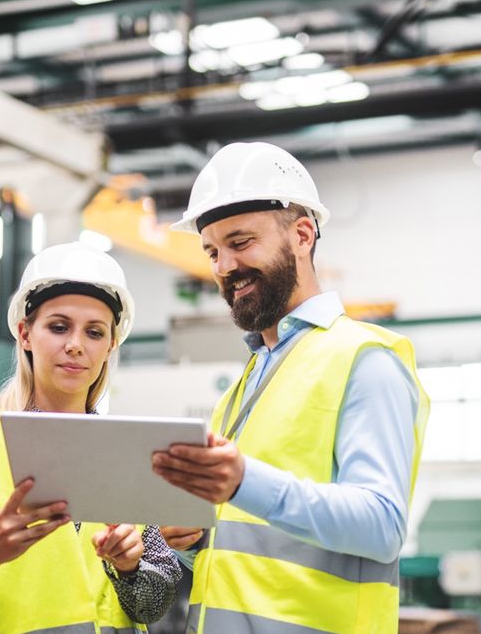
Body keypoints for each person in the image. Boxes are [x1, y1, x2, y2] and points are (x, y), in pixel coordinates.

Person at [151, 142, 431, 633]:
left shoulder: (366, 361)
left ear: (302, 234)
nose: (222, 267)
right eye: (212, 251)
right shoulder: (242, 387)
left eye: (240, 243)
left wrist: (243, 483)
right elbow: (255, 553)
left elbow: (383, 526)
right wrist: (195, 544)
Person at [0, 242, 181, 633]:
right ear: (25, 334)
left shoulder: (132, 450)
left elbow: (152, 606)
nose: (75, 344)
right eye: (58, 327)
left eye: (94, 332)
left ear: (110, 346)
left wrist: (129, 568)